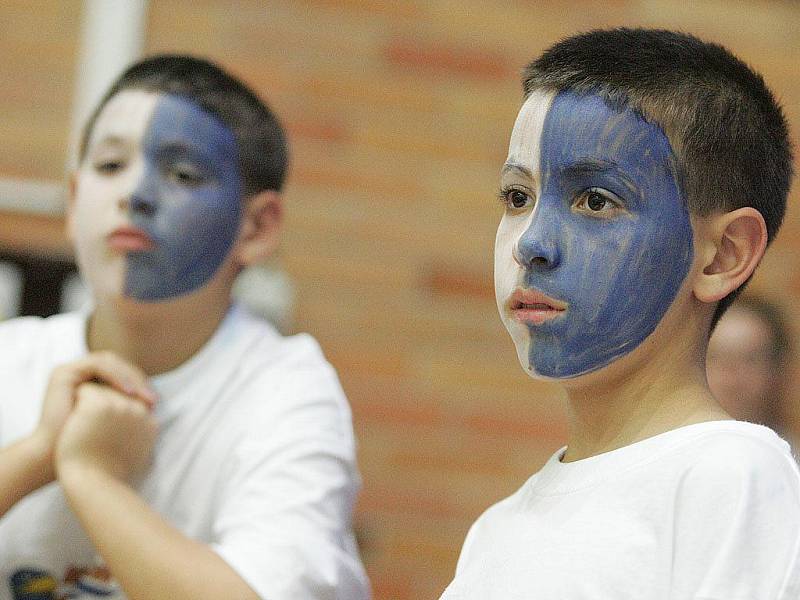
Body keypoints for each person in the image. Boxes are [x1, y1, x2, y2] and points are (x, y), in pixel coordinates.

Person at [441, 28, 800, 599]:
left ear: (723, 255)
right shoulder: (495, 530)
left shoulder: (732, 477)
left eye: (595, 200)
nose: (530, 244)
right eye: (517, 197)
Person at [0, 55, 369, 600]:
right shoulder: (13, 357)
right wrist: (38, 453)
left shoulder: (289, 393)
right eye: (109, 166)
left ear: (257, 226)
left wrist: (91, 474)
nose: (134, 195)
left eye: (181, 174)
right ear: (75, 202)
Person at [708, 294, 793, 437]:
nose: (731, 381)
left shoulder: (789, 457)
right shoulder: (665, 453)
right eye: (715, 358)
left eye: (751, 360)